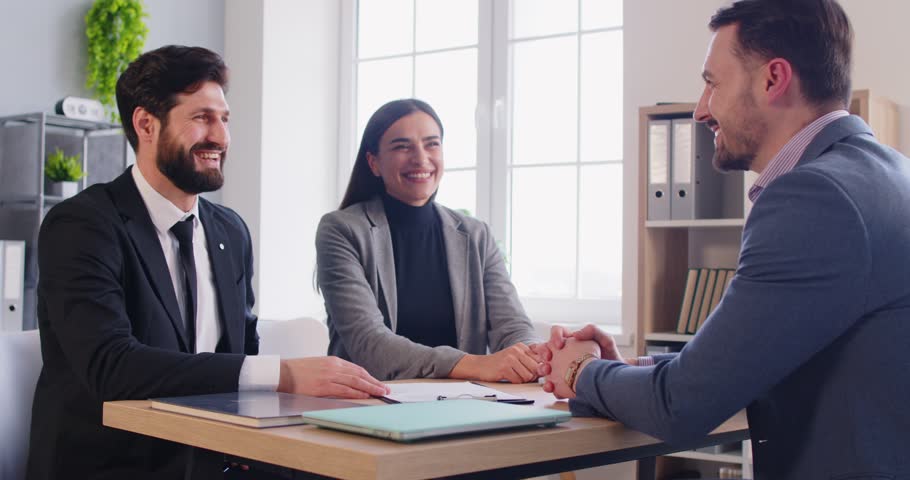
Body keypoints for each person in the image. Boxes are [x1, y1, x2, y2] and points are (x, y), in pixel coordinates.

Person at [540, 1, 910, 479]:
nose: (699, 110)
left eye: (712, 83)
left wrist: (580, 372)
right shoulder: (889, 173)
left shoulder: (815, 198)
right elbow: (775, 353)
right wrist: (636, 367)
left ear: (773, 79)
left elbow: (682, 406)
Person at [27, 45, 387, 480]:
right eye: (201, 118)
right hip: (114, 466)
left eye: (225, 119)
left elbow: (239, 356)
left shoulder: (229, 232)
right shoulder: (82, 225)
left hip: (215, 459)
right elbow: (111, 365)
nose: (220, 136)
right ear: (146, 124)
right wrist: (286, 374)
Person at [316, 99, 543, 383]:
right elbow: (370, 344)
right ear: (374, 162)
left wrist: (534, 355)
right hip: (371, 403)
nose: (421, 158)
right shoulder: (341, 230)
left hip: (463, 403)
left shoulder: (475, 235)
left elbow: (511, 325)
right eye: (402, 146)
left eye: (431, 144)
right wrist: (475, 364)